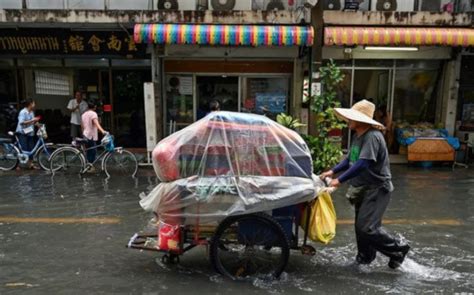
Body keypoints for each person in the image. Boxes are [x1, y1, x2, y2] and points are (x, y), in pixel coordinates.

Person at [320, 99, 410, 269]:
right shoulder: (358, 136)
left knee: (367, 228)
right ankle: (364, 258)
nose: (348, 121)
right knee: (360, 228)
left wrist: (338, 181)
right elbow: (350, 159)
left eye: (352, 118)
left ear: (361, 120)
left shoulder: (372, 137)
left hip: (377, 188)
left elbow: (363, 163)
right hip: (362, 188)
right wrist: (332, 171)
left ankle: (398, 249)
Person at [81, 100, 107, 171]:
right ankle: (89, 167)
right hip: (90, 136)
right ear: (95, 107)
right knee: (93, 151)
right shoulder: (93, 114)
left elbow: (82, 126)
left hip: (85, 135)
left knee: (89, 151)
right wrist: (102, 131)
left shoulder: (83, 114)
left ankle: (89, 166)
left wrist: (83, 133)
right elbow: (96, 123)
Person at [16, 99, 40, 169]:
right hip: (22, 133)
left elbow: (34, 121)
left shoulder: (31, 112)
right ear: (30, 104)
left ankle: (30, 164)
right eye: (34, 103)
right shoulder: (23, 112)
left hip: (30, 132)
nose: (35, 105)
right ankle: (18, 165)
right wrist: (33, 120)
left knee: (31, 148)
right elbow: (21, 122)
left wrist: (38, 125)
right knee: (24, 149)